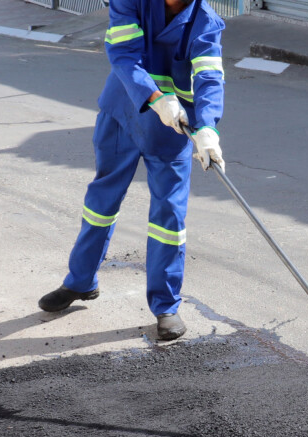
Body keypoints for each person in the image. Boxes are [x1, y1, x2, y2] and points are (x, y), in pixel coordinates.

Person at [38, 0, 227, 341]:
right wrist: (156, 98)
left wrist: (209, 129)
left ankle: (166, 306)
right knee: (101, 202)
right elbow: (123, 55)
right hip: (123, 116)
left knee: (169, 217)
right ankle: (80, 281)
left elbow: (209, 78)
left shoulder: (206, 22)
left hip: (172, 132)